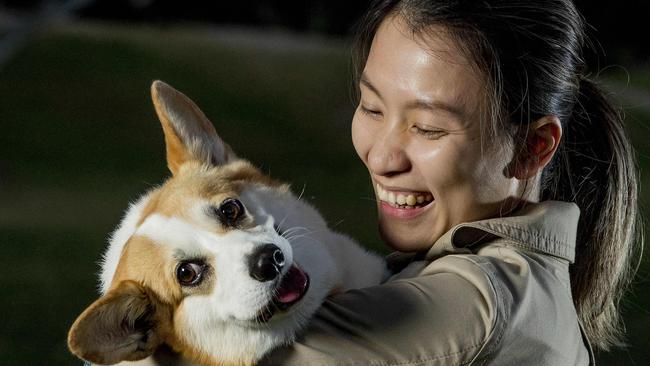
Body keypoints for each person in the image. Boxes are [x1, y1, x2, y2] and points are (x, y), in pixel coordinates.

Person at [262, 0, 642, 365]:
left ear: (531, 148)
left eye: (428, 129)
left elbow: (224, 347)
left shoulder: (476, 305)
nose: (380, 157)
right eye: (371, 107)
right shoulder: (523, 294)